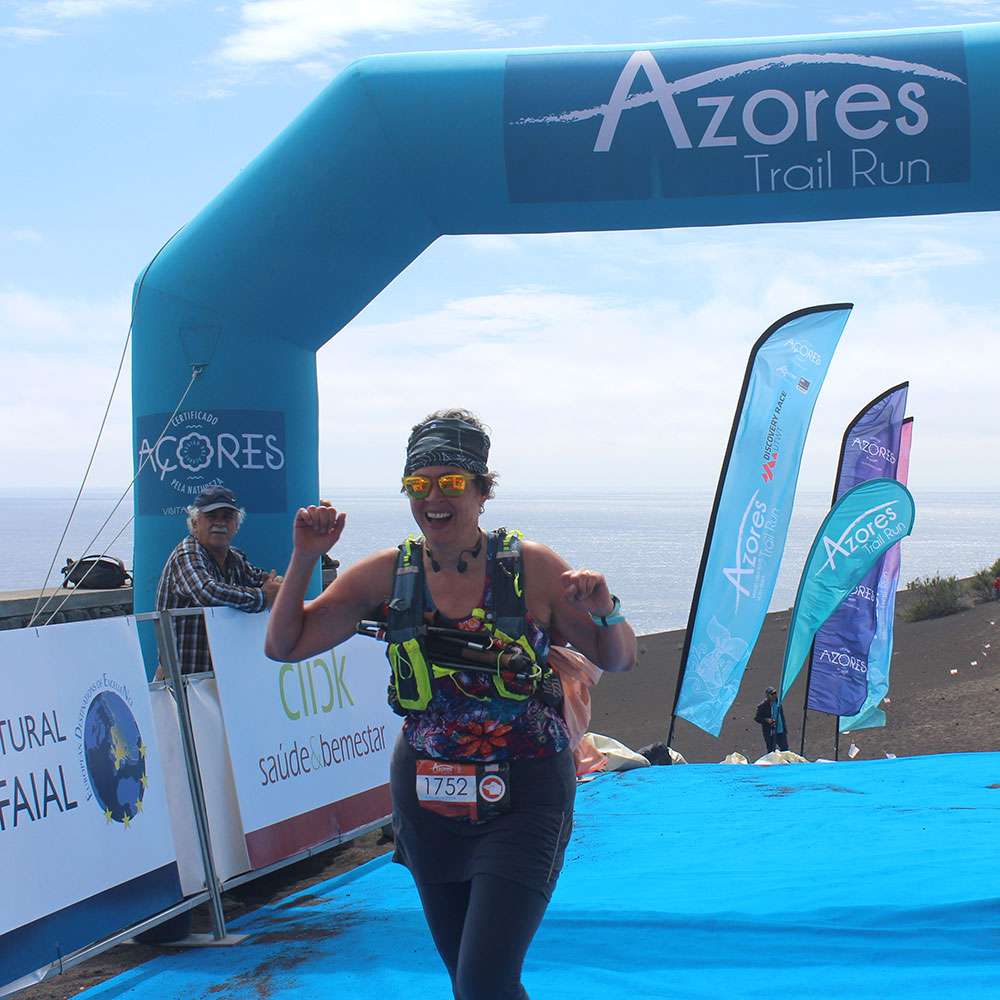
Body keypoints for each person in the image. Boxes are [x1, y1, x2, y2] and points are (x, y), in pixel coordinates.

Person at [266, 410, 636, 1000]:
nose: (433, 498)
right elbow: (285, 645)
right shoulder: (389, 574)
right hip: (428, 799)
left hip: (526, 795)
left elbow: (616, 658)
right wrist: (306, 556)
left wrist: (606, 609)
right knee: (470, 983)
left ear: (483, 491)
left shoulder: (530, 567)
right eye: (419, 484)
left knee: (484, 981)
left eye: (452, 482)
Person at [156, 485, 283, 675]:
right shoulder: (187, 553)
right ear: (195, 522)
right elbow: (207, 592)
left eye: (227, 517)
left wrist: (276, 585)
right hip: (185, 679)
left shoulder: (235, 558)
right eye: (211, 516)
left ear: (236, 525)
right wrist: (263, 597)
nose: (219, 523)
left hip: (222, 675)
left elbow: (263, 580)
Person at [754, 686, 789, 754]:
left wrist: (784, 728)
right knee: (771, 751)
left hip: (780, 730)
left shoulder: (778, 703)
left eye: (775, 693)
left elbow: (781, 716)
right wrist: (766, 720)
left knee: (785, 750)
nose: (774, 695)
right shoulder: (763, 706)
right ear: (768, 695)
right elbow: (757, 718)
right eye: (772, 694)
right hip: (770, 732)